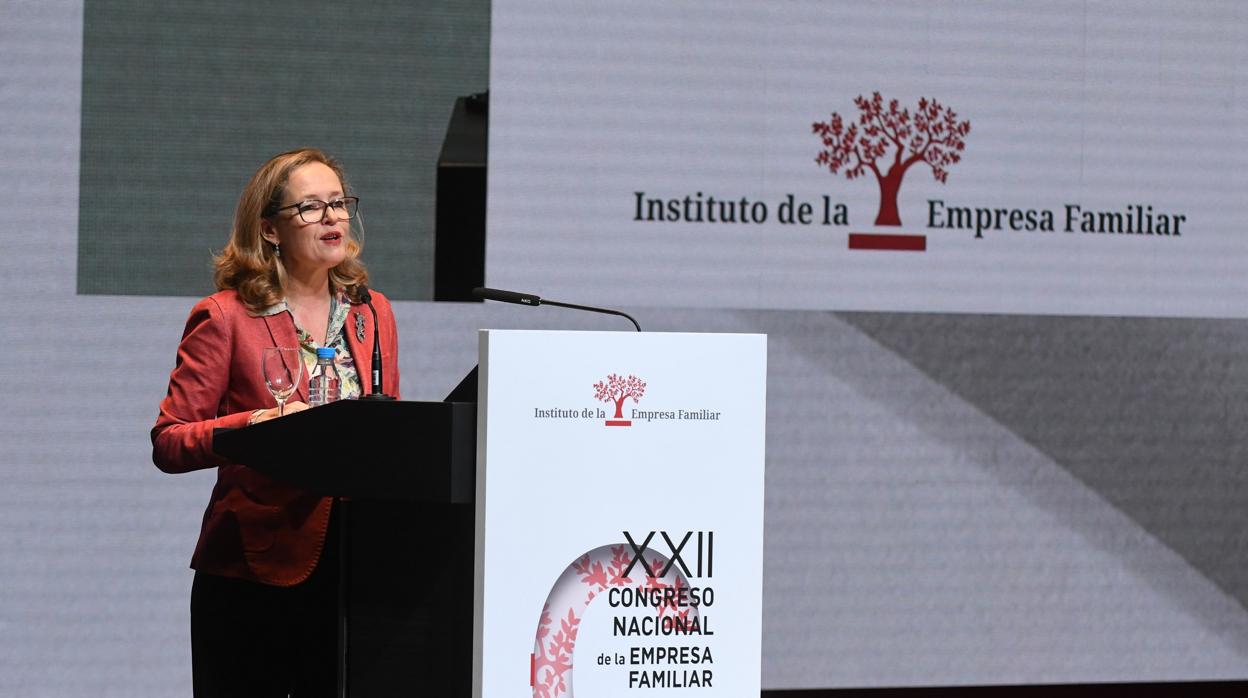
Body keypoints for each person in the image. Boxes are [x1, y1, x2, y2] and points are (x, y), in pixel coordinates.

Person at [152, 148, 399, 697]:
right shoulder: (225, 317)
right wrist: (259, 426)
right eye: (311, 207)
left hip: (354, 570)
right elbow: (169, 442)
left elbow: (386, 424)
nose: (333, 217)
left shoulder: (370, 311)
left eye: (339, 203)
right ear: (269, 229)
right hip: (253, 568)